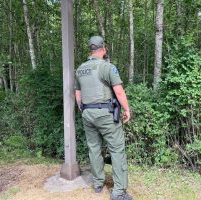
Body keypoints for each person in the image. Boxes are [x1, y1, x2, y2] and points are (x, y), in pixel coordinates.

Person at [75, 36, 133, 200]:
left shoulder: (80, 69)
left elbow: (77, 94)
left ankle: (98, 183)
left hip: (87, 113)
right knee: (117, 149)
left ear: (90, 49)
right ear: (103, 48)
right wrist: (127, 109)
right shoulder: (107, 67)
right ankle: (119, 191)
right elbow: (119, 91)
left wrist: (84, 110)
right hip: (105, 114)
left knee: (94, 148)